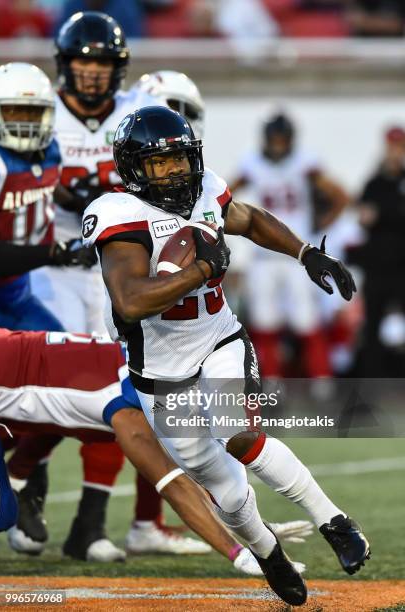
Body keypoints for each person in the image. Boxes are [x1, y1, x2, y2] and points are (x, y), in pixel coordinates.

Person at [82, 105, 370, 605]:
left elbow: (249, 219)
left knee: (237, 433)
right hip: (158, 369)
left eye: (180, 159)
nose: (175, 172)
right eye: (159, 163)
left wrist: (306, 253)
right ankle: (268, 553)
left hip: (218, 339)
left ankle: (334, 521)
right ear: (133, 170)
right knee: (228, 492)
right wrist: (199, 272)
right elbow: (130, 300)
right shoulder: (118, 216)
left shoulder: (206, 189)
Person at [16, 11, 206, 561]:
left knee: (119, 391)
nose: (93, 73)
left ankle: (90, 520)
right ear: (65, 64)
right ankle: (27, 479)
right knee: (48, 390)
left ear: (118, 68)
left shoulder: (137, 115)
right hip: (46, 272)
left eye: (103, 63)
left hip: (116, 275)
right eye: (83, 61)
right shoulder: (39, 107)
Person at [0, 327, 310, 580]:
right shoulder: (128, 411)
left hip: (9, 358)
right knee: (1, 512)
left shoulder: (147, 363)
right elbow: (177, 487)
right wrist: (241, 553)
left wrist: (253, 527)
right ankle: (18, 481)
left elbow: (197, 477)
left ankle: (17, 479)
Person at [229, 112, 350, 378]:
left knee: (308, 322)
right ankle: (273, 385)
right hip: (264, 256)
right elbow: (223, 196)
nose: (278, 145)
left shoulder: (305, 162)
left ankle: (322, 383)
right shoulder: (252, 162)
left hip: (298, 255)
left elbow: (341, 196)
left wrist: (321, 225)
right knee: (264, 324)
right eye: (275, 139)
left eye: (282, 140)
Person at [0, 61, 95, 333]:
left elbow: (46, 183)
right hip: (13, 284)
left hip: (16, 293)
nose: (25, 123)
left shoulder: (50, 150)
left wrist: (78, 202)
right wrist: (55, 253)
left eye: (33, 113)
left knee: (63, 361)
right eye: (15, 112)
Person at [349, 126, 405, 376]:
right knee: (372, 329)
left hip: (401, 266)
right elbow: (363, 214)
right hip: (378, 268)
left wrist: (381, 213)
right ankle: (372, 385)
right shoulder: (375, 182)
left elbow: (380, 213)